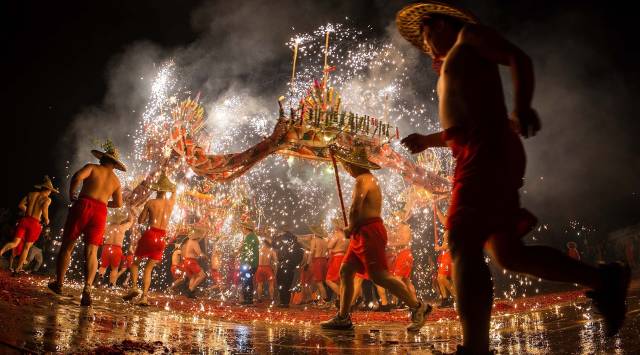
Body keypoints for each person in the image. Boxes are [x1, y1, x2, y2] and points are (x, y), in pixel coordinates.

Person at [396, 2, 630, 352]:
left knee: (461, 238)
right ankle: (604, 278)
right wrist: (426, 141)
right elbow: (459, 129)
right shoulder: (452, 63)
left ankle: (474, 348)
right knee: (509, 254)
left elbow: (519, 58)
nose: (425, 43)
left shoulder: (469, 38)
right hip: (477, 151)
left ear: (441, 24)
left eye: (427, 34)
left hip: (487, 150)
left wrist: (522, 106)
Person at [321, 145, 431, 331]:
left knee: (380, 276)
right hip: (362, 232)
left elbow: (355, 209)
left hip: (368, 232)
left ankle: (419, 307)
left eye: (347, 165)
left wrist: (350, 228)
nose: (346, 169)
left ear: (353, 165)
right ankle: (343, 317)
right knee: (346, 271)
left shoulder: (363, 180)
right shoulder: (369, 179)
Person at [49, 143, 125, 307]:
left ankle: (59, 283)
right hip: (100, 212)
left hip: (83, 204)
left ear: (103, 159)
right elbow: (119, 203)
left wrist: (72, 194)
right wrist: (104, 203)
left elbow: (77, 176)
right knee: (92, 251)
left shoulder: (92, 168)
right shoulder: (116, 180)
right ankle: (87, 289)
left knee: (68, 245)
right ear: (114, 165)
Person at [123, 172, 176, 306]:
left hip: (151, 234)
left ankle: (134, 287)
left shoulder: (151, 202)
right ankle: (144, 297)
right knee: (149, 269)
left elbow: (141, 220)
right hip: (162, 237)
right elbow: (174, 190)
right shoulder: (171, 203)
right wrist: (171, 187)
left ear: (156, 189)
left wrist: (142, 212)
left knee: (135, 263)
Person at [1, 176, 57, 274]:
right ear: (47, 190)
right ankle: (18, 269)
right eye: (50, 191)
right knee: (26, 247)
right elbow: (44, 210)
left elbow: (20, 205)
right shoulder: (47, 199)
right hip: (34, 224)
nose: (50, 193)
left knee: (15, 243)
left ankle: (0, 252)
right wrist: (47, 219)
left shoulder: (31, 194)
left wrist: (28, 211)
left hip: (24, 220)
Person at [97, 209, 134, 288]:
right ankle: (111, 284)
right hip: (117, 249)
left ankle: (100, 275)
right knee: (114, 269)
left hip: (106, 247)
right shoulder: (122, 227)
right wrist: (130, 210)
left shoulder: (107, 226)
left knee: (103, 266)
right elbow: (131, 222)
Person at [388, 210, 417, 308]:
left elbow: (404, 242)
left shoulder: (405, 227)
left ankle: (395, 302)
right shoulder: (398, 228)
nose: (392, 220)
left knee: (397, 280)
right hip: (401, 255)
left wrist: (390, 244)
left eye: (394, 218)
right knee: (406, 281)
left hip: (405, 255)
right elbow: (396, 241)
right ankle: (414, 303)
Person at [274, 229, 305, 307]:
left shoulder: (284, 244)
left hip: (283, 266)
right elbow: (300, 256)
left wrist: (275, 236)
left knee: (281, 284)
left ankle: (283, 302)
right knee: (288, 285)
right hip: (291, 268)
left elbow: (274, 244)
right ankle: (286, 302)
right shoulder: (297, 245)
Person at [181, 223, 208, 298]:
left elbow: (200, 238)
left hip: (187, 261)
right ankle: (190, 290)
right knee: (202, 275)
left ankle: (190, 294)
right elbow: (199, 253)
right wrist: (204, 256)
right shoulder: (194, 242)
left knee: (193, 277)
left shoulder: (189, 240)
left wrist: (204, 234)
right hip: (191, 261)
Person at [325, 219, 349, 302]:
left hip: (337, 259)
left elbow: (329, 246)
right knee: (340, 281)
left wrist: (328, 241)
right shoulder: (347, 236)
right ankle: (342, 300)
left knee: (329, 280)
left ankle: (342, 296)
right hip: (344, 258)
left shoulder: (337, 234)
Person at [238, 220, 259, 305]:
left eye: (242, 228)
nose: (241, 230)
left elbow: (249, 252)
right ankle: (247, 299)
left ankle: (248, 299)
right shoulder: (251, 237)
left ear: (246, 228)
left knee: (247, 281)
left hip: (248, 264)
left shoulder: (250, 237)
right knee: (247, 280)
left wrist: (247, 263)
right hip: (250, 263)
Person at [308, 225, 329, 304]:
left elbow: (312, 251)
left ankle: (324, 300)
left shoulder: (314, 240)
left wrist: (308, 262)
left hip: (317, 261)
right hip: (324, 261)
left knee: (319, 282)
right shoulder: (324, 241)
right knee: (322, 281)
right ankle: (321, 300)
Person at [255, 236, 277, 302]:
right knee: (271, 284)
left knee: (260, 284)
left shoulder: (259, 249)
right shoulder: (271, 251)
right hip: (267, 268)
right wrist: (275, 270)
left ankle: (259, 298)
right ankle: (271, 298)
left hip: (260, 268)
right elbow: (275, 261)